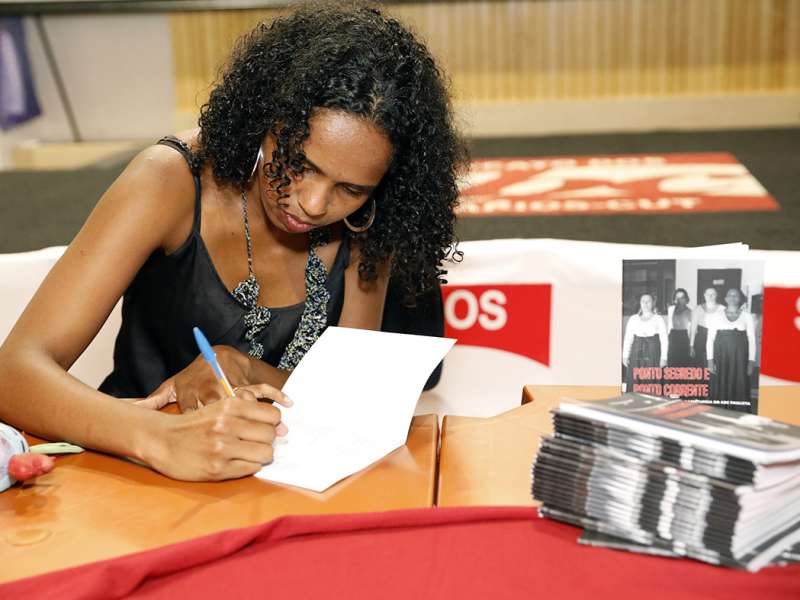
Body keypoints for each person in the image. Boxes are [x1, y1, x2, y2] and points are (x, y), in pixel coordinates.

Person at [0, 2, 466, 482]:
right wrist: (160, 437)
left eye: (350, 188)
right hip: (126, 476)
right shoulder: (171, 181)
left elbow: (342, 403)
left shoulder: (367, 223)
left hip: (274, 490)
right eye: (301, 163)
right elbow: (14, 373)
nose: (312, 202)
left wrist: (242, 367)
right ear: (267, 120)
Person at [707, 288, 756, 410]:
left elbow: (751, 340)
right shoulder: (716, 316)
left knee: (739, 382)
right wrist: (710, 360)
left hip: (740, 358)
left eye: (736, 295)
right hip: (721, 356)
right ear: (725, 299)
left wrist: (751, 361)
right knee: (720, 383)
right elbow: (710, 339)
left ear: (740, 299)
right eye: (730, 295)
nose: (733, 298)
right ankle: (719, 412)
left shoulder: (747, 316)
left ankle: (738, 411)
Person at [622, 292, 668, 394]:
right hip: (636, 353)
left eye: (648, 301)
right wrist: (625, 355)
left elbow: (664, 340)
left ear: (653, 303)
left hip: (653, 353)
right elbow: (628, 338)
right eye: (643, 301)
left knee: (652, 380)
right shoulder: (633, 319)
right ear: (640, 303)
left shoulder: (658, 319)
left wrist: (664, 358)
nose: (645, 303)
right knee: (636, 381)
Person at [689, 286, 723, 369]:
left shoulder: (723, 309)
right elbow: (693, 329)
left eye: (713, 294)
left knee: (714, 362)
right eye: (708, 294)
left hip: (717, 338)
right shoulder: (698, 309)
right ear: (704, 295)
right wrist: (691, 345)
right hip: (701, 338)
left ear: (717, 295)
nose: (710, 296)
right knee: (699, 363)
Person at [666, 288, 692, 369]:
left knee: (683, 364)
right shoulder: (670, 309)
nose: (679, 300)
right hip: (672, 337)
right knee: (672, 364)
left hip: (684, 338)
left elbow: (690, 329)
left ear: (686, 299)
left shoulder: (690, 311)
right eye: (677, 298)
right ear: (674, 299)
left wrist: (691, 345)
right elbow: (669, 325)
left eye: (682, 297)